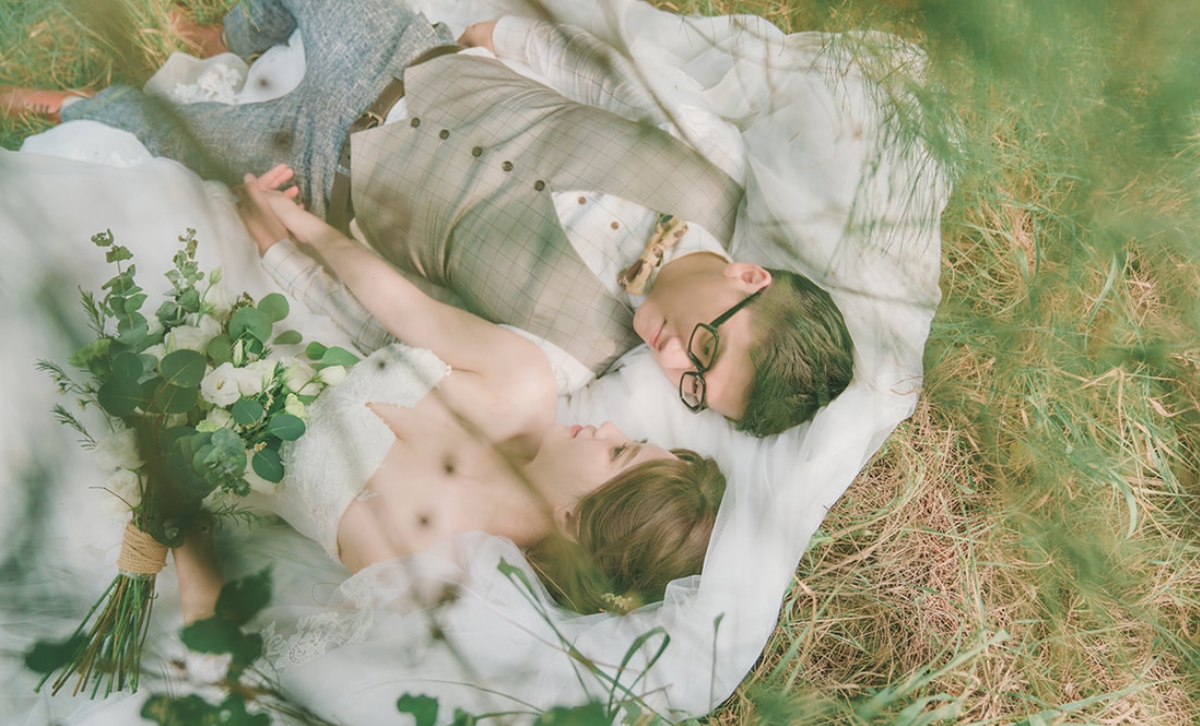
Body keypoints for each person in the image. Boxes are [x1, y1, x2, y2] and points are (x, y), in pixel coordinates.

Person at [1, 0, 854, 436]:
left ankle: (69, 104)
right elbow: (614, 78)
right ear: (750, 277)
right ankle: (228, 33)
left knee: (156, 137)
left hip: (322, 169)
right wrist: (505, 41)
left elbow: (395, 325)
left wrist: (289, 250)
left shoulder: (569, 362)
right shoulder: (717, 177)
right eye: (706, 347)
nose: (672, 362)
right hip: (403, 58)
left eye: (694, 391)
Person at [175, 165, 724, 619]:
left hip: (181, 427)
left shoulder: (414, 560)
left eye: (617, 451)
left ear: (571, 520)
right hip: (272, 293)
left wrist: (164, 494)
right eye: (629, 437)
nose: (608, 427)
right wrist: (289, 233)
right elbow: (401, 311)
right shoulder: (523, 382)